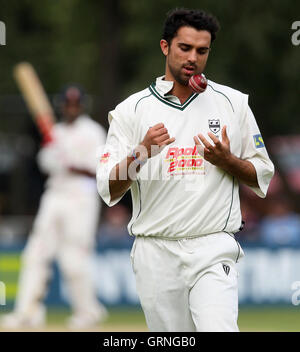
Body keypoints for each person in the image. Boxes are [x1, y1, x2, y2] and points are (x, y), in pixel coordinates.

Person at [97, 8, 274, 332]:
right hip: (155, 250)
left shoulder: (233, 103)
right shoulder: (131, 110)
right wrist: (142, 152)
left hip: (212, 246)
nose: (193, 58)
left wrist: (228, 161)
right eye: (185, 48)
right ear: (165, 47)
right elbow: (108, 188)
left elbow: (263, 172)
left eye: (202, 51)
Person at [1, 85, 108, 329]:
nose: (71, 108)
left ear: (81, 106)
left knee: (74, 259)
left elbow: (101, 170)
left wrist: (73, 164)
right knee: (36, 254)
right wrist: (54, 157)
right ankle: (28, 312)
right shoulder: (55, 132)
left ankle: (87, 313)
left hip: (81, 197)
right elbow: (46, 164)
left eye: (75, 104)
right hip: (55, 195)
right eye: (67, 104)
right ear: (61, 106)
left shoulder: (93, 132)